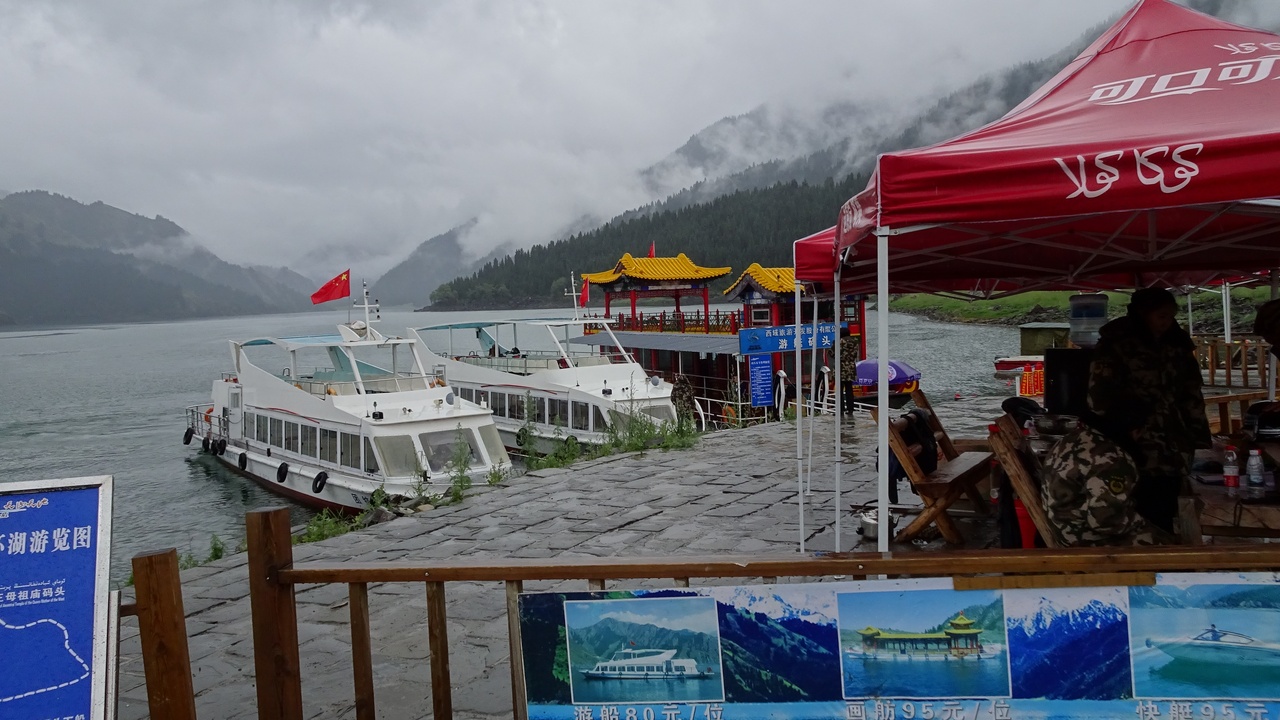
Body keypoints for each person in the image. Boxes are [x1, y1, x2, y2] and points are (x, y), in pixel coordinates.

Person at [1087, 287, 1210, 533]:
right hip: (1133, 443)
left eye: (1171, 317)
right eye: (1161, 316)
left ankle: (1163, 557)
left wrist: (1198, 435)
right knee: (1134, 508)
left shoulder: (1177, 344)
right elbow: (1098, 398)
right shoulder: (1117, 344)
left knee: (1167, 506)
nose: (1167, 323)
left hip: (1174, 444)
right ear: (1144, 314)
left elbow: (1192, 393)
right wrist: (1126, 427)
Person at [1040, 407, 1171, 546]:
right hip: (1084, 541)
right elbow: (1103, 520)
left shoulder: (1073, 438)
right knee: (1170, 548)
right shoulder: (1112, 457)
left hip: (1062, 531)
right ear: (1136, 431)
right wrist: (1141, 523)